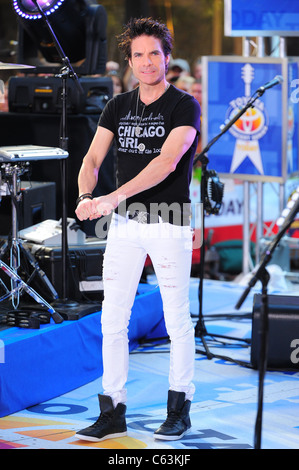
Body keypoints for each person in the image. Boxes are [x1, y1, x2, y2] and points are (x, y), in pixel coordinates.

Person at [75, 17, 201, 443]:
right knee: (112, 317)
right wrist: (84, 194)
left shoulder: (184, 105)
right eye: (138, 55)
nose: (146, 63)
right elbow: (92, 159)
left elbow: (165, 163)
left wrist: (109, 199)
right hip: (127, 225)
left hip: (169, 221)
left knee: (176, 319)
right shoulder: (117, 106)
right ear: (129, 61)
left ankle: (179, 408)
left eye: (154, 54)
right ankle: (113, 410)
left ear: (166, 56)